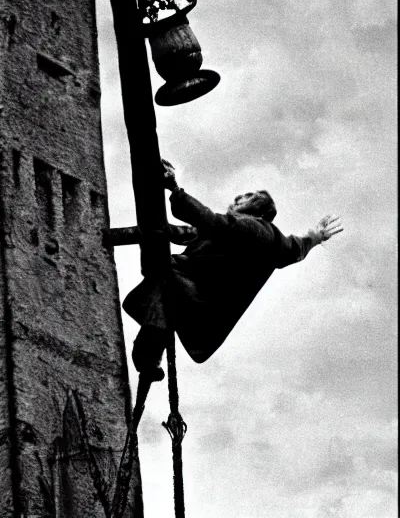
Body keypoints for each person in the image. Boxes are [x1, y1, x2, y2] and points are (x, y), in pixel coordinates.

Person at [123, 159, 343, 376]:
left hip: (201, 300)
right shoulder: (241, 234)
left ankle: (150, 351)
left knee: (164, 275)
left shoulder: (256, 229)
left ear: (263, 212)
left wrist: (174, 188)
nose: (239, 197)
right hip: (198, 301)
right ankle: (150, 352)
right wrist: (314, 237)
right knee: (162, 284)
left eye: (249, 197)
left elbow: (209, 221)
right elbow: (293, 248)